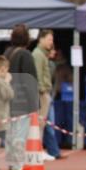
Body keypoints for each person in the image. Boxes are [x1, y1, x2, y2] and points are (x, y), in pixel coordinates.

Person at [4, 24, 39, 170]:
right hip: (22, 100)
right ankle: (17, 164)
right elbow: (30, 81)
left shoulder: (7, 52)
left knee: (10, 133)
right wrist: (35, 104)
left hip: (7, 98)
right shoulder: (25, 55)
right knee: (20, 133)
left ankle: (12, 163)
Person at [32, 28, 61, 160]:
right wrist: (42, 91)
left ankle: (39, 149)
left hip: (44, 92)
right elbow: (37, 74)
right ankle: (38, 150)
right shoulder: (38, 54)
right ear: (41, 38)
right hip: (42, 93)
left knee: (42, 124)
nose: (51, 42)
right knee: (40, 123)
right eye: (49, 39)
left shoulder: (41, 54)